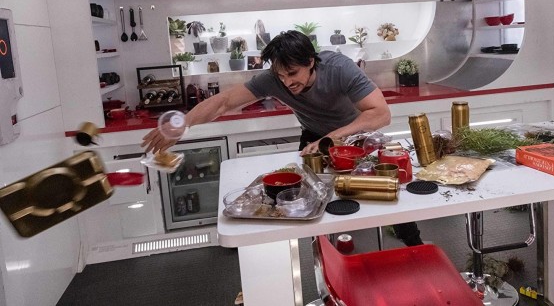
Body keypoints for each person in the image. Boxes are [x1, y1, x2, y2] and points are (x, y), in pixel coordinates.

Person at [141, 30, 423, 245]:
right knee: (308, 204)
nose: (287, 82)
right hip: (313, 140)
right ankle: (324, 255)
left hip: (358, 139)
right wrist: (182, 123)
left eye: (293, 73)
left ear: (310, 61)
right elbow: (224, 102)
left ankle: (414, 243)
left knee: (389, 193)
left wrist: (332, 138)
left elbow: (380, 114)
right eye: (281, 75)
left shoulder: (339, 69)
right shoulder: (274, 79)